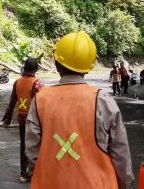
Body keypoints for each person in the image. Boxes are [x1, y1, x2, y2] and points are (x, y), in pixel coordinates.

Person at [25, 31, 134, 189]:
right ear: (88, 68)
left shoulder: (40, 100)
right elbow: (120, 151)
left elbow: (31, 151)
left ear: (56, 64)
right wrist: (125, 183)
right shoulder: (103, 100)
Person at [2, 57, 44, 182]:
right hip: (35, 120)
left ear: (24, 69)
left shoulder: (17, 82)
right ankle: (34, 172)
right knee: (36, 145)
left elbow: (12, 102)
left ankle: (23, 174)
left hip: (21, 119)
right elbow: (42, 102)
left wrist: (7, 119)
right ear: (36, 69)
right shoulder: (37, 83)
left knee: (23, 145)